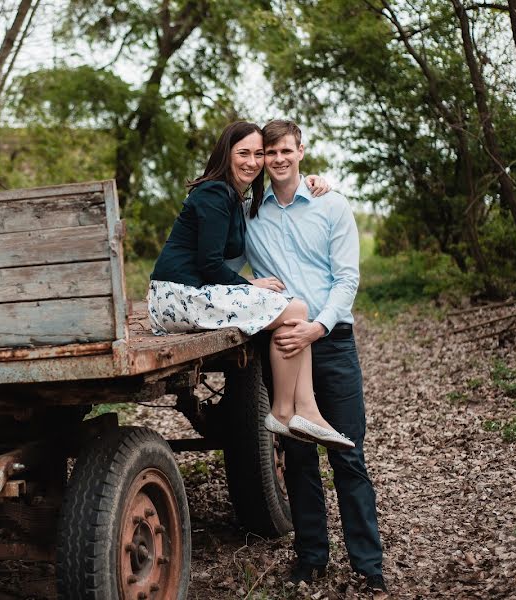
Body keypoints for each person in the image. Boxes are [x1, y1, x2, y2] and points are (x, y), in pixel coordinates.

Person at [147, 120, 353, 450]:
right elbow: (210, 264)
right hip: (178, 296)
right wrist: (249, 285)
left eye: (259, 154)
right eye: (244, 153)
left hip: (183, 295)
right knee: (296, 308)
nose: (253, 161)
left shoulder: (232, 197)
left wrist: (312, 180)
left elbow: (214, 264)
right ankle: (285, 411)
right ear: (226, 154)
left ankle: (306, 412)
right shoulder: (216, 193)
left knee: (294, 312)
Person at [244, 119, 386, 593]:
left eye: (286, 150)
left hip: (330, 340)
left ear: (301, 151)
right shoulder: (250, 215)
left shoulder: (331, 203)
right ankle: (311, 557)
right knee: (298, 454)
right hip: (285, 345)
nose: (278, 160)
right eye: (269, 153)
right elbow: (215, 262)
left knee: (347, 454)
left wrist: (317, 326)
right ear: (262, 158)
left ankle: (368, 565)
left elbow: (347, 278)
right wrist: (249, 287)